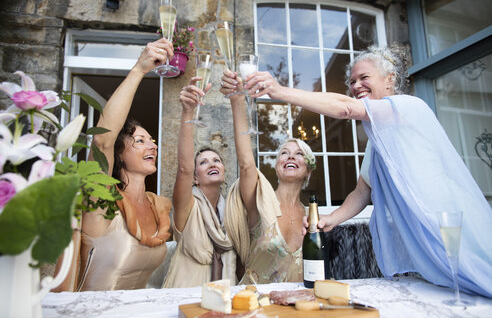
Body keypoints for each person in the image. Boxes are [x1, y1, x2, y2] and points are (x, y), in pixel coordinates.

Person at [242, 44, 492, 298]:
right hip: (427, 248)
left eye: (364, 78)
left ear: (390, 80)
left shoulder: (408, 107)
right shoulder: (377, 141)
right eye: (352, 81)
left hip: (451, 233)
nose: (356, 86)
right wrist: (333, 218)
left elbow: (346, 108)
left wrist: (279, 90)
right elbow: (363, 191)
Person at [61, 38, 173, 291]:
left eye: (152, 141)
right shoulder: (101, 200)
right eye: (140, 141)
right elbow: (102, 141)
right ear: (119, 154)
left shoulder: (156, 206)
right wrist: (139, 70)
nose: (152, 146)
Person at [219, 72, 316, 284]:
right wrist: (237, 100)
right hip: (254, 307)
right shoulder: (260, 200)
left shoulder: (312, 217)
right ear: (277, 165)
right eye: (284, 152)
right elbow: (246, 163)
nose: (291, 155)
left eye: (299, 154)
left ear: (308, 170)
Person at [163, 77, 238, 288]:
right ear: (195, 178)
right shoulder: (188, 206)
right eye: (203, 162)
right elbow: (184, 169)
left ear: (223, 170)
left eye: (217, 160)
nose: (211, 164)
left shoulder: (231, 213)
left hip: (223, 302)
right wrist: (188, 113)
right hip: (183, 299)